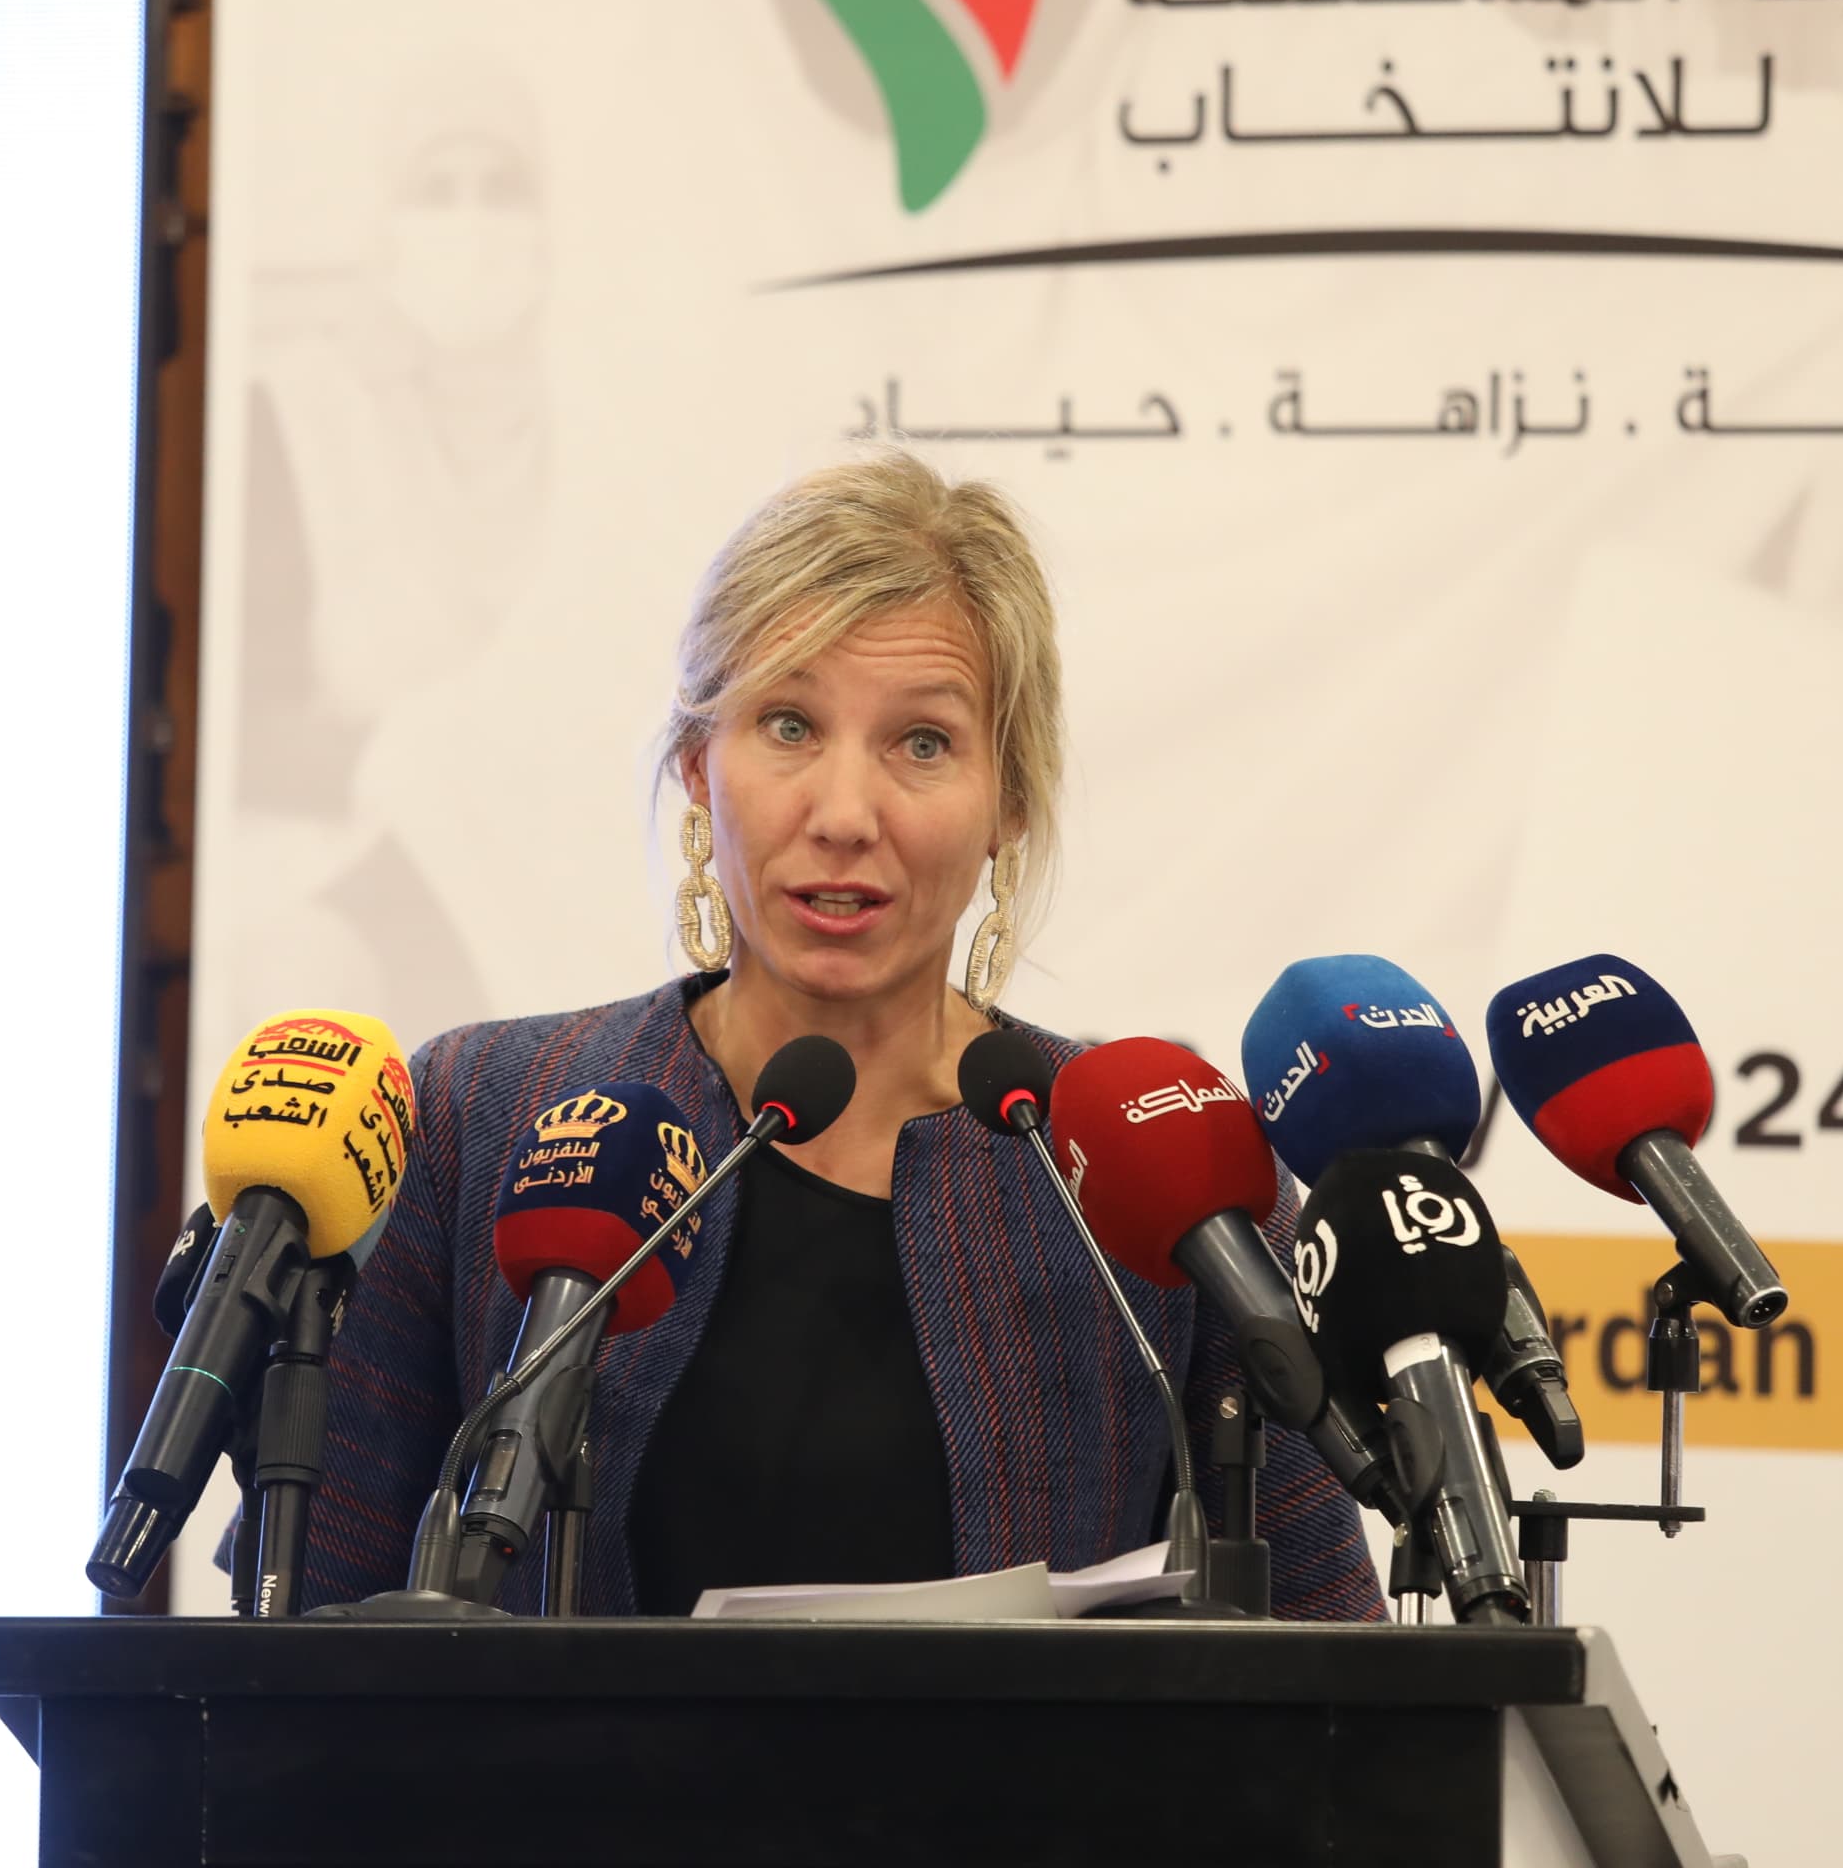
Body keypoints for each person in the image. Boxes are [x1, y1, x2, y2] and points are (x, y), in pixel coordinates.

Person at [294, 452, 1382, 1619]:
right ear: (697, 764)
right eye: (789, 723)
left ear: (1010, 799)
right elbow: (311, 1630)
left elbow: (1322, 1645)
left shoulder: (1152, 1173)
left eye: (923, 742)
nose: (846, 814)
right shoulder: (480, 1115)